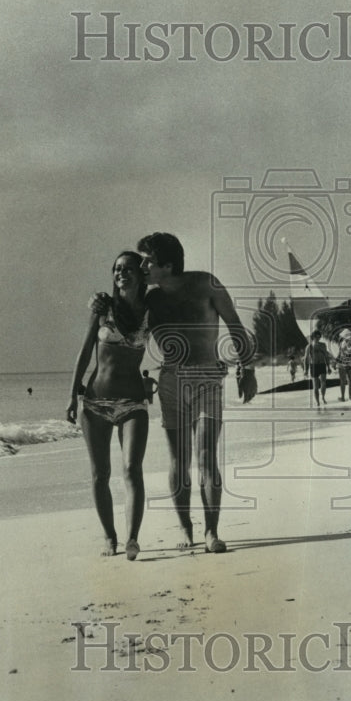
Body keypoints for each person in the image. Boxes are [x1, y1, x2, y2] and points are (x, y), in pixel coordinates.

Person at [91, 232, 254, 554]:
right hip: (171, 381)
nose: (142, 265)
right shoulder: (150, 300)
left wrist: (247, 369)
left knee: (206, 457)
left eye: (148, 260)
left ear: (167, 263)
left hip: (208, 377)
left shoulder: (207, 284)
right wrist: (99, 302)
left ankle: (211, 531)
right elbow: (120, 316)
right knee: (179, 461)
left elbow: (235, 326)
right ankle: (185, 527)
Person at [67, 252, 149, 560]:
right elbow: (85, 352)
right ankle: (110, 538)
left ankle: (132, 538)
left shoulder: (151, 309)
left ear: (140, 275)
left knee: (132, 469)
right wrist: (71, 396)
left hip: (133, 402)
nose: (121, 273)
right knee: (100, 474)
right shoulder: (103, 309)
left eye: (128, 268)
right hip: (95, 403)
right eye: (116, 269)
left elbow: (172, 342)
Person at [303, 329, 330, 406]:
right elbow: (306, 358)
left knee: (323, 383)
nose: (318, 338)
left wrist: (328, 367)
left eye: (319, 337)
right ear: (313, 337)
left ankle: (323, 397)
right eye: (316, 337)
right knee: (315, 386)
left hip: (322, 364)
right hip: (313, 366)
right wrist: (305, 369)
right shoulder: (309, 346)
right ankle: (318, 402)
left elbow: (326, 356)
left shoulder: (323, 345)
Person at [335, 329, 351, 401]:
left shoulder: (342, 343)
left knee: (343, 381)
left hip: (343, 364)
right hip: (350, 364)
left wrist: (336, 361)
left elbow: (340, 354)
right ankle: (349, 397)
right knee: (350, 381)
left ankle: (343, 397)